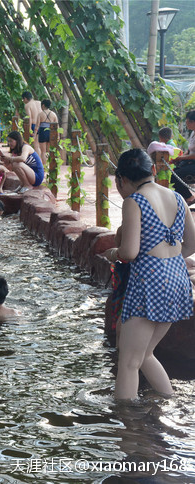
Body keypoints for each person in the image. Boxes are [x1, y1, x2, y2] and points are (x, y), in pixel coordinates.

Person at [103, 149, 195, 401]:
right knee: (144, 355)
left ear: (120, 178)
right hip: (177, 278)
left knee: (129, 361)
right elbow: (191, 245)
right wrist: (169, 258)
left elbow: (129, 252)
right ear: (153, 170)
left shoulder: (134, 201)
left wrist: (112, 253)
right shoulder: (177, 197)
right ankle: (169, 401)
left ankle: (128, 427)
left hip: (149, 281)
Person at [170, 112, 195, 205]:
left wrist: (181, 158)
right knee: (173, 172)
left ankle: (189, 197)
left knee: (174, 176)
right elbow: (189, 151)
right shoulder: (193, 133)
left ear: (193, 122)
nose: (186, 123)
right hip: (190, 162)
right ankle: (186, 197)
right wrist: (180, 158)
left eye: (188, 122)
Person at [36, 99, 58, 163]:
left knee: (43, 151)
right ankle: (48, 165)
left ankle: (44, 166)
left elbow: (37, 126)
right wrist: (58, 135)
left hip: (42, 132)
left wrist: (35, 135)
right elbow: (57, 126)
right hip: (51, 132)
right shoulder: (54, 114)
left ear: (43, 105)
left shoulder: (40, 114)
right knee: (49, 150)